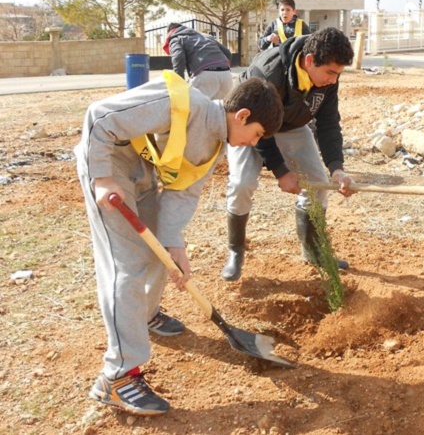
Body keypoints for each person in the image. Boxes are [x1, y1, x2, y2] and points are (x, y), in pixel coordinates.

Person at [74, 73, 283, 416]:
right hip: (108, 166)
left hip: (141, 170)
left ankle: (144, 315)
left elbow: (184, 191)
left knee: (159, 254)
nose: (252, 143)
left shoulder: (216, 141)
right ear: (242, 115)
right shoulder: (180, 102)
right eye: (256, 134)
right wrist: (102, 177)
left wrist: (175, 244)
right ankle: (118, 376)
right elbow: (99, 117)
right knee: (126, 267)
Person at [222, 27, 356, 282]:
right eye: (330, 73)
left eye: (338, 74)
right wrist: (281, 171)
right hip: (250, 125)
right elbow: (255, 126)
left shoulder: (327, 80)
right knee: (242, 184)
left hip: (292, 126)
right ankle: (235, 251)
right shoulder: (268, 71)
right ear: (309, 61)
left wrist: (336, 168)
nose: (334, 80)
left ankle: (313, 251)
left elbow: (328, 123)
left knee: (318, 184)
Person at [163, 22, 233, 99]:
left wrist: (179, 83)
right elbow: (227, 53)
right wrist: (222, 67)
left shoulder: (176, 38)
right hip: (226, 73)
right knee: (223, 108)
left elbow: (178, 58)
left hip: (205, 74)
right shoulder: (206, 36)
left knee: (196, 107)